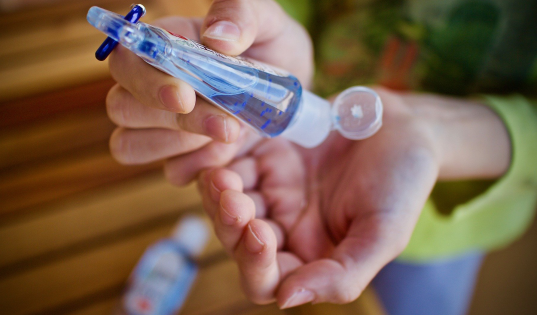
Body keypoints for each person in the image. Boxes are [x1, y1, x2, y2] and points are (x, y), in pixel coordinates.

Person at [104, 0, 537, 314]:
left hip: (452, 233)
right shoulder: (288, 99)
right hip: (296, 111)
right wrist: (267, 26)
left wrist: (440, 134)